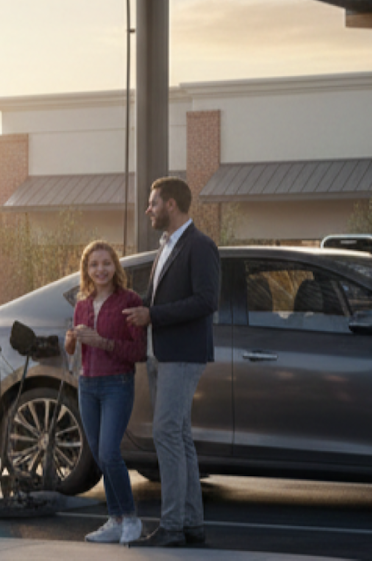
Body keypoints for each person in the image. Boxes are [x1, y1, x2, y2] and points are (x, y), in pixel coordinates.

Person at [123, 177, 219, 548]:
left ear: (172, 205)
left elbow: (206, 301)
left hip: (183, 354)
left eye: (153, 203)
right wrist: (140, 310)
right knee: (179, 437)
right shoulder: (165, 246)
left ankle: (172, 527)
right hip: (162, 354)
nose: (148, 209)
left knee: (165, 433)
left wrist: (154, 316)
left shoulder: (200, 246)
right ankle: (191, 524)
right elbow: (157, 299)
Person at [65, 240, 145, 544]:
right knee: (100, 455)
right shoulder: (82, 303)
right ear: (86, 269)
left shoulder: (130, 299)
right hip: (88, 385)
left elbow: (138, 351)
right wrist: (71, 341)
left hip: (117, 384)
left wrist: (101, 341)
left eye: (106, 263)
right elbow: (76, 351)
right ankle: (115, 519)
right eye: (94, 264)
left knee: (111, 453)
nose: (101, 269)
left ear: (116, 266)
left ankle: (132, 519)